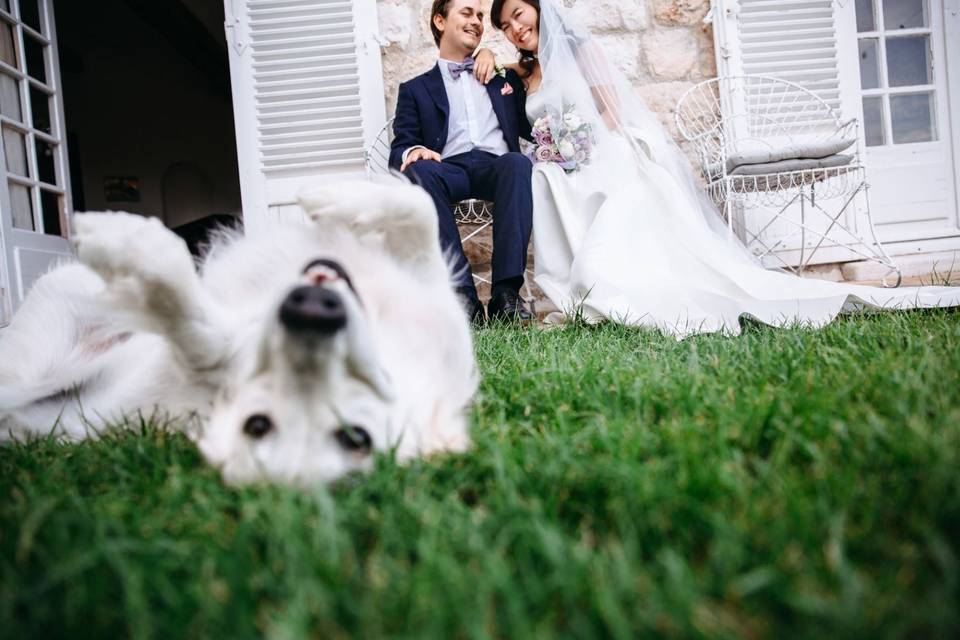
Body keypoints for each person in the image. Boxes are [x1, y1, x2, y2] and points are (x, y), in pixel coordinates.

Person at [480, 0, 960, 337]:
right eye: (504, 25)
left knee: (610, 179)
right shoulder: (522, 73)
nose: (515, 29)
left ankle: (605, 278)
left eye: (518, 15)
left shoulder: (584, 50)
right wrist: (486, 54)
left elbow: (609, 111)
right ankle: (573, 281)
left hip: (601, 147)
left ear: (539, 7)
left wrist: (580, 151)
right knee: (539, 176)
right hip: (560, 162)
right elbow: (511, 100)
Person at [389, 0, 535, 325]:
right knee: (418, 170)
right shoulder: (415, 90)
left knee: (518, 163)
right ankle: (463, 298)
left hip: (496, 166)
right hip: (447, 168)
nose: (477, 21)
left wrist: (495, 58)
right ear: (440, 21)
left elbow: (537, 102)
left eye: (480, 16)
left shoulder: (501, 79)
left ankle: (505, 295)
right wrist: (414, 151)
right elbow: (399, 147)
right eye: (467, 13)